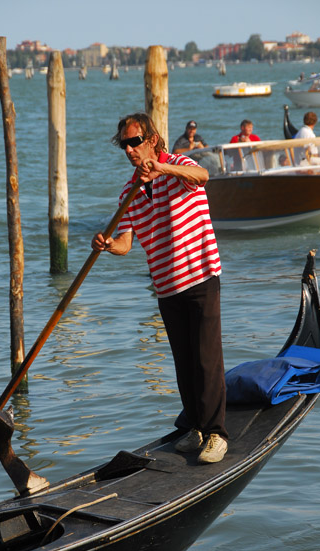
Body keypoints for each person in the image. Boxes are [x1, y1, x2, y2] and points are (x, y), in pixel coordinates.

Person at [92, 112, 228, 464]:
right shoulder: (130, 192)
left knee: (206, 357)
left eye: (135, 142)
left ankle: (216, 433)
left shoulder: (178, 165)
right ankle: (196, 427)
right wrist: (108, 245)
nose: (130, 150)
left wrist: (162, 169)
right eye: (125, 145)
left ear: (151, 139)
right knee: (183, 361)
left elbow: (203, 175)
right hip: (166, 286)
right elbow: (126, 242)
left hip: (199, 275)